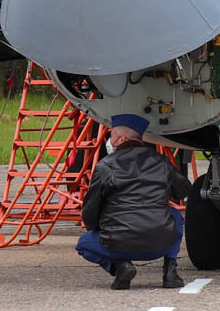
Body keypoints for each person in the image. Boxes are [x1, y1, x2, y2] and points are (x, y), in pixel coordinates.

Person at [77, 114, 190, 290]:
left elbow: (90, 210)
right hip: (159, 245)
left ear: (122, 138)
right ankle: (170, 271)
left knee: (84, 244)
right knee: (175, 216)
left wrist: (97, 228)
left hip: (117, 244)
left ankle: (121, 266)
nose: (109, 140)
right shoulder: (161, 161)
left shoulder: (105, 166)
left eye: (112, 136)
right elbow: (183, 191)